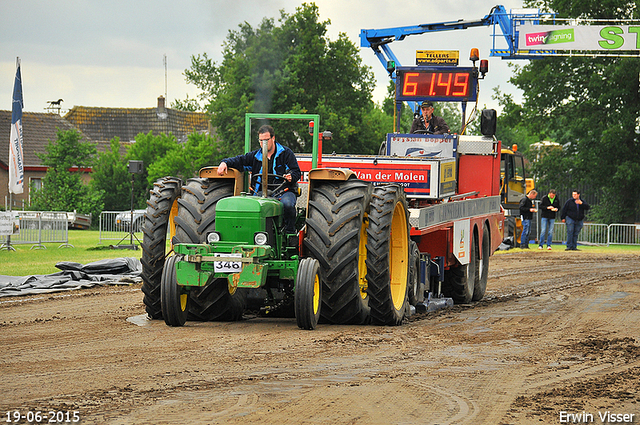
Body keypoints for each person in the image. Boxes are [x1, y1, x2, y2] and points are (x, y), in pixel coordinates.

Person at [217, 125, 301, 234]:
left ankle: (290, 233)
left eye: (266, 140)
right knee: (249, 207)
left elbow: (296, 172)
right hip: (260, 192)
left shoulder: (286, 153)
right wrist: (225, 163)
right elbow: (239, 160)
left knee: (288, 204)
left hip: (283, 191)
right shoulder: (255, 156)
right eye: (261, 141)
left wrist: (291, 176)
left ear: (273, 138)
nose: (263, 144)